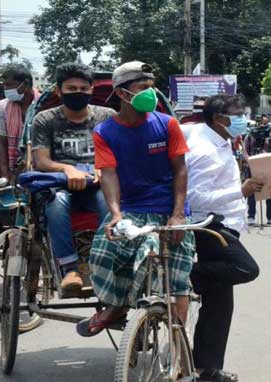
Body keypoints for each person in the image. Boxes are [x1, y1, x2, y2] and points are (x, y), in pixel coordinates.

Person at [79, 61, 194, 337]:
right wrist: (116, 213)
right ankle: (116, 306)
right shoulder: (104, 132)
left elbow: (180, 169)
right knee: (103, 255)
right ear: (122, 94)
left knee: (177, 280)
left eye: (152, 87)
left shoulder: (168, 124)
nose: (151, 94)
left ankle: (179, 346)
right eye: (143, 88)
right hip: (131, 209)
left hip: (169, 210)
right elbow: (108, 174)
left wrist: (178, 214)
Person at [185, 94, 261, 382]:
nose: (243, 118)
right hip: (210, 226)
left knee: (219, 306)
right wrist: (240, 192)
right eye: (238, 113)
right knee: (246, 268)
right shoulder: (204, 149)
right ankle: (190, 273)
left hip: (226, 223)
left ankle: (207, 369)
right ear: (219, 118)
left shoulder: (221, 139)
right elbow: (196, 197)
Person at [31, 63, 114, 292]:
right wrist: (67, 170)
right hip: (60, 186)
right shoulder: (44, 119)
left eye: (83, 88)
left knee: (109, 203)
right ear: (59, 91)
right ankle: (70, 270)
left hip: (99, 185)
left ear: (91, 89)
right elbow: (41, 161)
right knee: (55, 204)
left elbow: (119, 153)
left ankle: (105, 264)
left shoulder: (107, 117)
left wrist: (102, 168)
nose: (78, 92)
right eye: (71, 88)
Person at [0, 64, 40, 182]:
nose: (5, 89)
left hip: (41, 163)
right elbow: (1, 143)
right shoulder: (1, 107)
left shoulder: (44, 104)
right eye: (4, 85)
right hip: (13, 164)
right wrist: (5, 175)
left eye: (10, 85)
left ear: (26, 84)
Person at [243, 115, 271, 225]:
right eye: (260, 124)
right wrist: (249, 159)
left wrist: (266, 155)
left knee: (270, 191)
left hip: (268, 166)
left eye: (265, 124)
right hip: (253, 167)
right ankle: (251, 216)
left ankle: (270, 217)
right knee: (252, 192)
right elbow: (244, 151)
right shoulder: (250, 136)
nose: (262, 126)